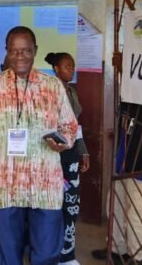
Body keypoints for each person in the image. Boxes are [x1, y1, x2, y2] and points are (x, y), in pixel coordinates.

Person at [0, 26, 78, 265]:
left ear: (35, 51)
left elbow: (70, 126)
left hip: (44, 186)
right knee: (4, 255)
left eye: (25, 51)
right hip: (3, 186)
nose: (20, 56)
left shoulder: (53, 87)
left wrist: (62, 143)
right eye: (14, 51)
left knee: (46, 254)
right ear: (6, 52)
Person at [92, 102, 142, 265]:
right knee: (115, 204)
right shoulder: (126, 98)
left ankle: (139, 257)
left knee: (137, 211)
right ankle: (117, 250)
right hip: (124, 161)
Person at [44, 52, 89, 265]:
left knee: (71, 203)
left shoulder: (71, 91)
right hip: (54, 154)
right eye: (67, 66)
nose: (71, 70)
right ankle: (54, 253)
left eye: (73, 66)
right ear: (56, 69)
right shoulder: (49, 91)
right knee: (54, 205)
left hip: (71, 154)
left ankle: (67, 254)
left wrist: (83, 151)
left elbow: (75, 126)